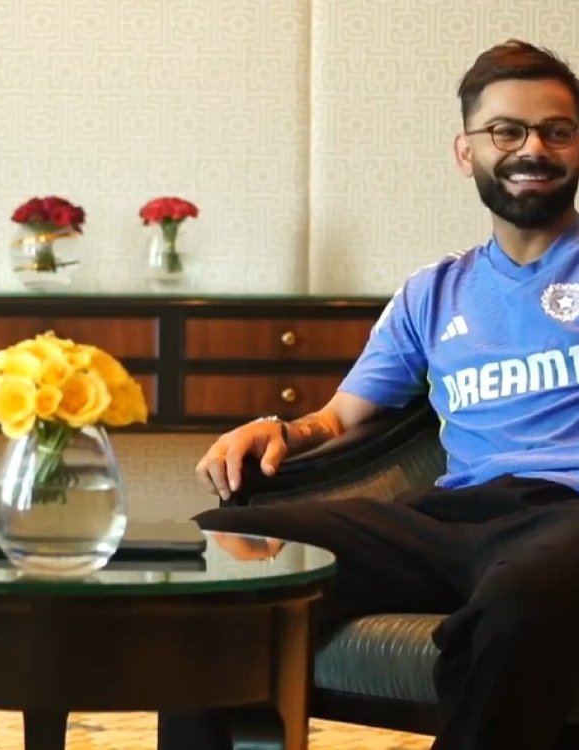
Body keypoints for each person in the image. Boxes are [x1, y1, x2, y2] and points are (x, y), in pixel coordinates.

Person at [175, 39, 579, 750]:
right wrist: (278, 430)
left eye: (557, 131)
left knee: (518, 603)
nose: (533, 149)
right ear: (466, 152)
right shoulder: (433, 291)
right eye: (507, 131)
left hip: (567, 516)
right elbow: (339, 418)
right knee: (218, 551)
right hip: (450, 519)